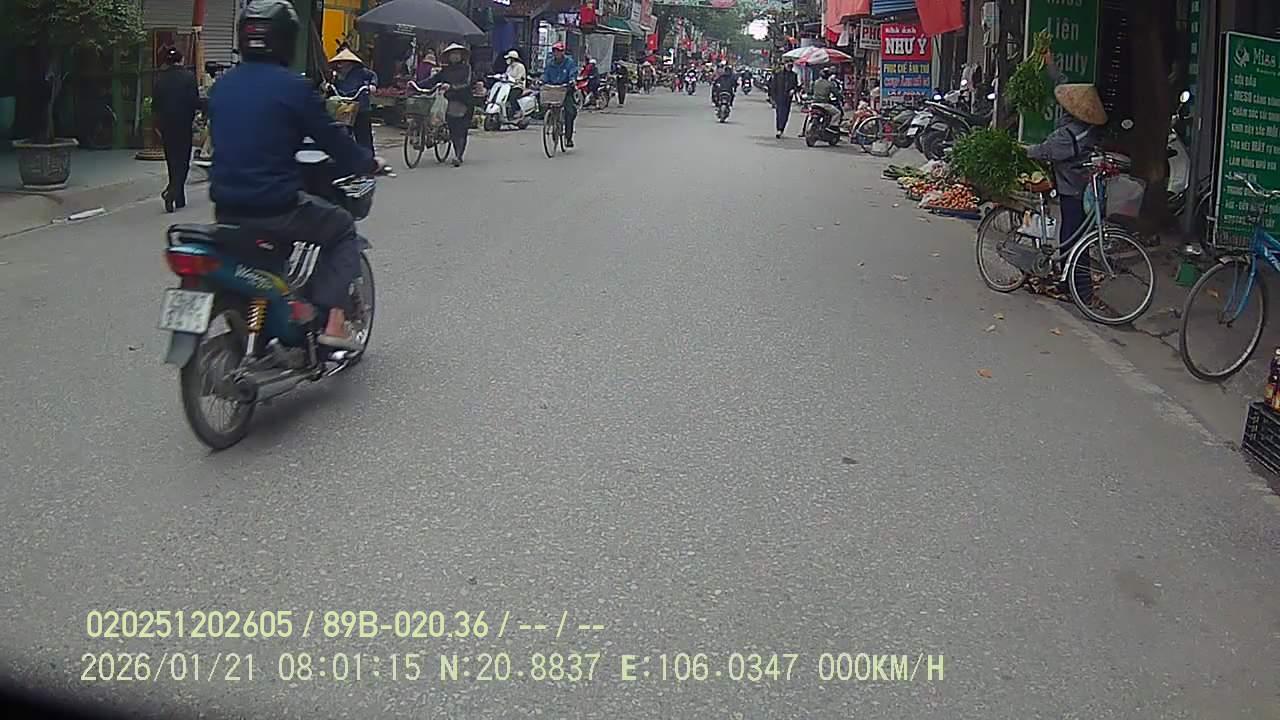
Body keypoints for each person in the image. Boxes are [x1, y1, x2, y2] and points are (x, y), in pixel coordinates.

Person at [208, 0, 379, 351]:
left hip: (226, 209)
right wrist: (367, 162)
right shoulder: (293, 88)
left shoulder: (222, 86)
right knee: (342, 228)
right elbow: (332, 139)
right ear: (287, 40)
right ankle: (334, 322)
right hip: (275, 208)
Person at [1026, 50, 1108, 302]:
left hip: (1074, 190)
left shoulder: (1070, 135)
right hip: (1079, 187)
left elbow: (1046, 151)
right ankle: (1068, 281)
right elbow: (1062, 83)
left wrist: (1021, 150)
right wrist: (1050, 64)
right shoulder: (1085, 125)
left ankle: (1079, 289)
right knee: (1073, 237)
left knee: (1073, 238)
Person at [152, 46, 201, 212]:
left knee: (172, 161)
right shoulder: (188, 77)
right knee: (183, 161)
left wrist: (157, 125)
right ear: (181, 60)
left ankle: (179, 197)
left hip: (166, 125)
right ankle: (172, 192)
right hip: (183, 124)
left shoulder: (159, 79)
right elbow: (194, 101)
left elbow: (155, 105)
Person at [419, 42, 474, 167]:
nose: (455, 56)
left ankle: (458, 155)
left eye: (457, 54)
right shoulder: (445, 70)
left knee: (460, 130)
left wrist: (452, 87)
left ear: (461, 56)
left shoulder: (467, 69)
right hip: (448, 100)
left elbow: (467, 83)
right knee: (451, 127)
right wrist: (416, 84)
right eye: (452, 54)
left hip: (463, 101)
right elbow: (433, 80)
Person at [329, 47, 378, 150]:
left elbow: (373, 76)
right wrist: (328, 86)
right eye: (339, 62)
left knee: (363, 136)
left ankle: (368, 155)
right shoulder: (336, 74)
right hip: (343, 104)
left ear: (350, 63)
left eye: (343, 62)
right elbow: (331, 85)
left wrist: (372, 85)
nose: (341, 64)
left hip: (360, 106)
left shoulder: (361, 72)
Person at [541, 41, 578, 148]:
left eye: (559, 51)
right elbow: (545, 74)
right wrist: (542, 80)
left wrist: (572, 80)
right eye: (555, 51)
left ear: (563, 52)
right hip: (553, 89)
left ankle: (568, 137)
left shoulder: (569, 62)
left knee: (570, 112)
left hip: (566, 89)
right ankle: (553, 124)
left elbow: (573, 73)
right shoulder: (550, 63)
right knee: (547, 105)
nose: (556, 53)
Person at [767, 61, 799, 139]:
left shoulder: (794, 75)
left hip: (788, 98)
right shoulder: (778, 74)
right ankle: (779, 129)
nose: (789, 67)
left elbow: (796, 85)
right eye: (788, 65)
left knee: (785, 114)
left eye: (791, 66)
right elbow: (773, 85)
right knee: (779, 113)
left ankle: (782, 129)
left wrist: (793, 90)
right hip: (779, 97)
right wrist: (772, 97)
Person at [502, 49, 526, 119]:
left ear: (513, 58)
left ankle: (517, 111)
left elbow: (520, 78)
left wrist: (514, 80)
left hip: (518, 86)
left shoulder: (520, 66)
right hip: (508, 86)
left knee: (512, 97)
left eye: (509, 58)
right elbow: (506, 75)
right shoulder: (509, 67)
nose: (507, 60)